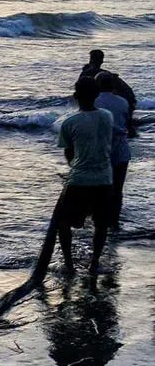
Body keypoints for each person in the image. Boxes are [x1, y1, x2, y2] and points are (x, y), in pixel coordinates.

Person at [57, 78, 115, 275]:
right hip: (105, 178)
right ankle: (94, 263)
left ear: (75, 96)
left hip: (80, 178)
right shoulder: (107, 116)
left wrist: (75, 167)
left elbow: (69, 154)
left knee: (63, 222)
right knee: (101, 224)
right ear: (97, 95)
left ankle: (69, 264)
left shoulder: (70, 122)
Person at [94, 72, 131, 230]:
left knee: (99, 188)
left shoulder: (93, 102)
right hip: (121, 148)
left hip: (100, 149)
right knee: (118, 188)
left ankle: (100, 220)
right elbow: (127, 123)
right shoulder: (123, 102)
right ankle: (114, 221)